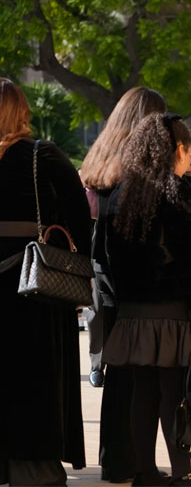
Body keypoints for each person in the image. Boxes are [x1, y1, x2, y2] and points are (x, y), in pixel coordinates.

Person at [100, 113, 191, 486]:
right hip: (174, 311)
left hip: (134, 312)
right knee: (174, 394)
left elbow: (107, 255)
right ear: (178, 148)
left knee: (142, 394)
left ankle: (144, 473)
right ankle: (182, 474)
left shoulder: (123, 193)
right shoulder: (180, 192)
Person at [0, 77, 90, 486]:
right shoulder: (42, 156)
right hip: (34, 286)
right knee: (35, 375)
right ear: (22, 112)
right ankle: (34, 467)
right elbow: (78, 222)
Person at [80, 86, 167, 483]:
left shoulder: (102, 153)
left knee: (119, 373)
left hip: (102, 276)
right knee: (138, 375)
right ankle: (129, 460)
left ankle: (115, 459)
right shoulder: (140, 161)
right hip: (130, 278)